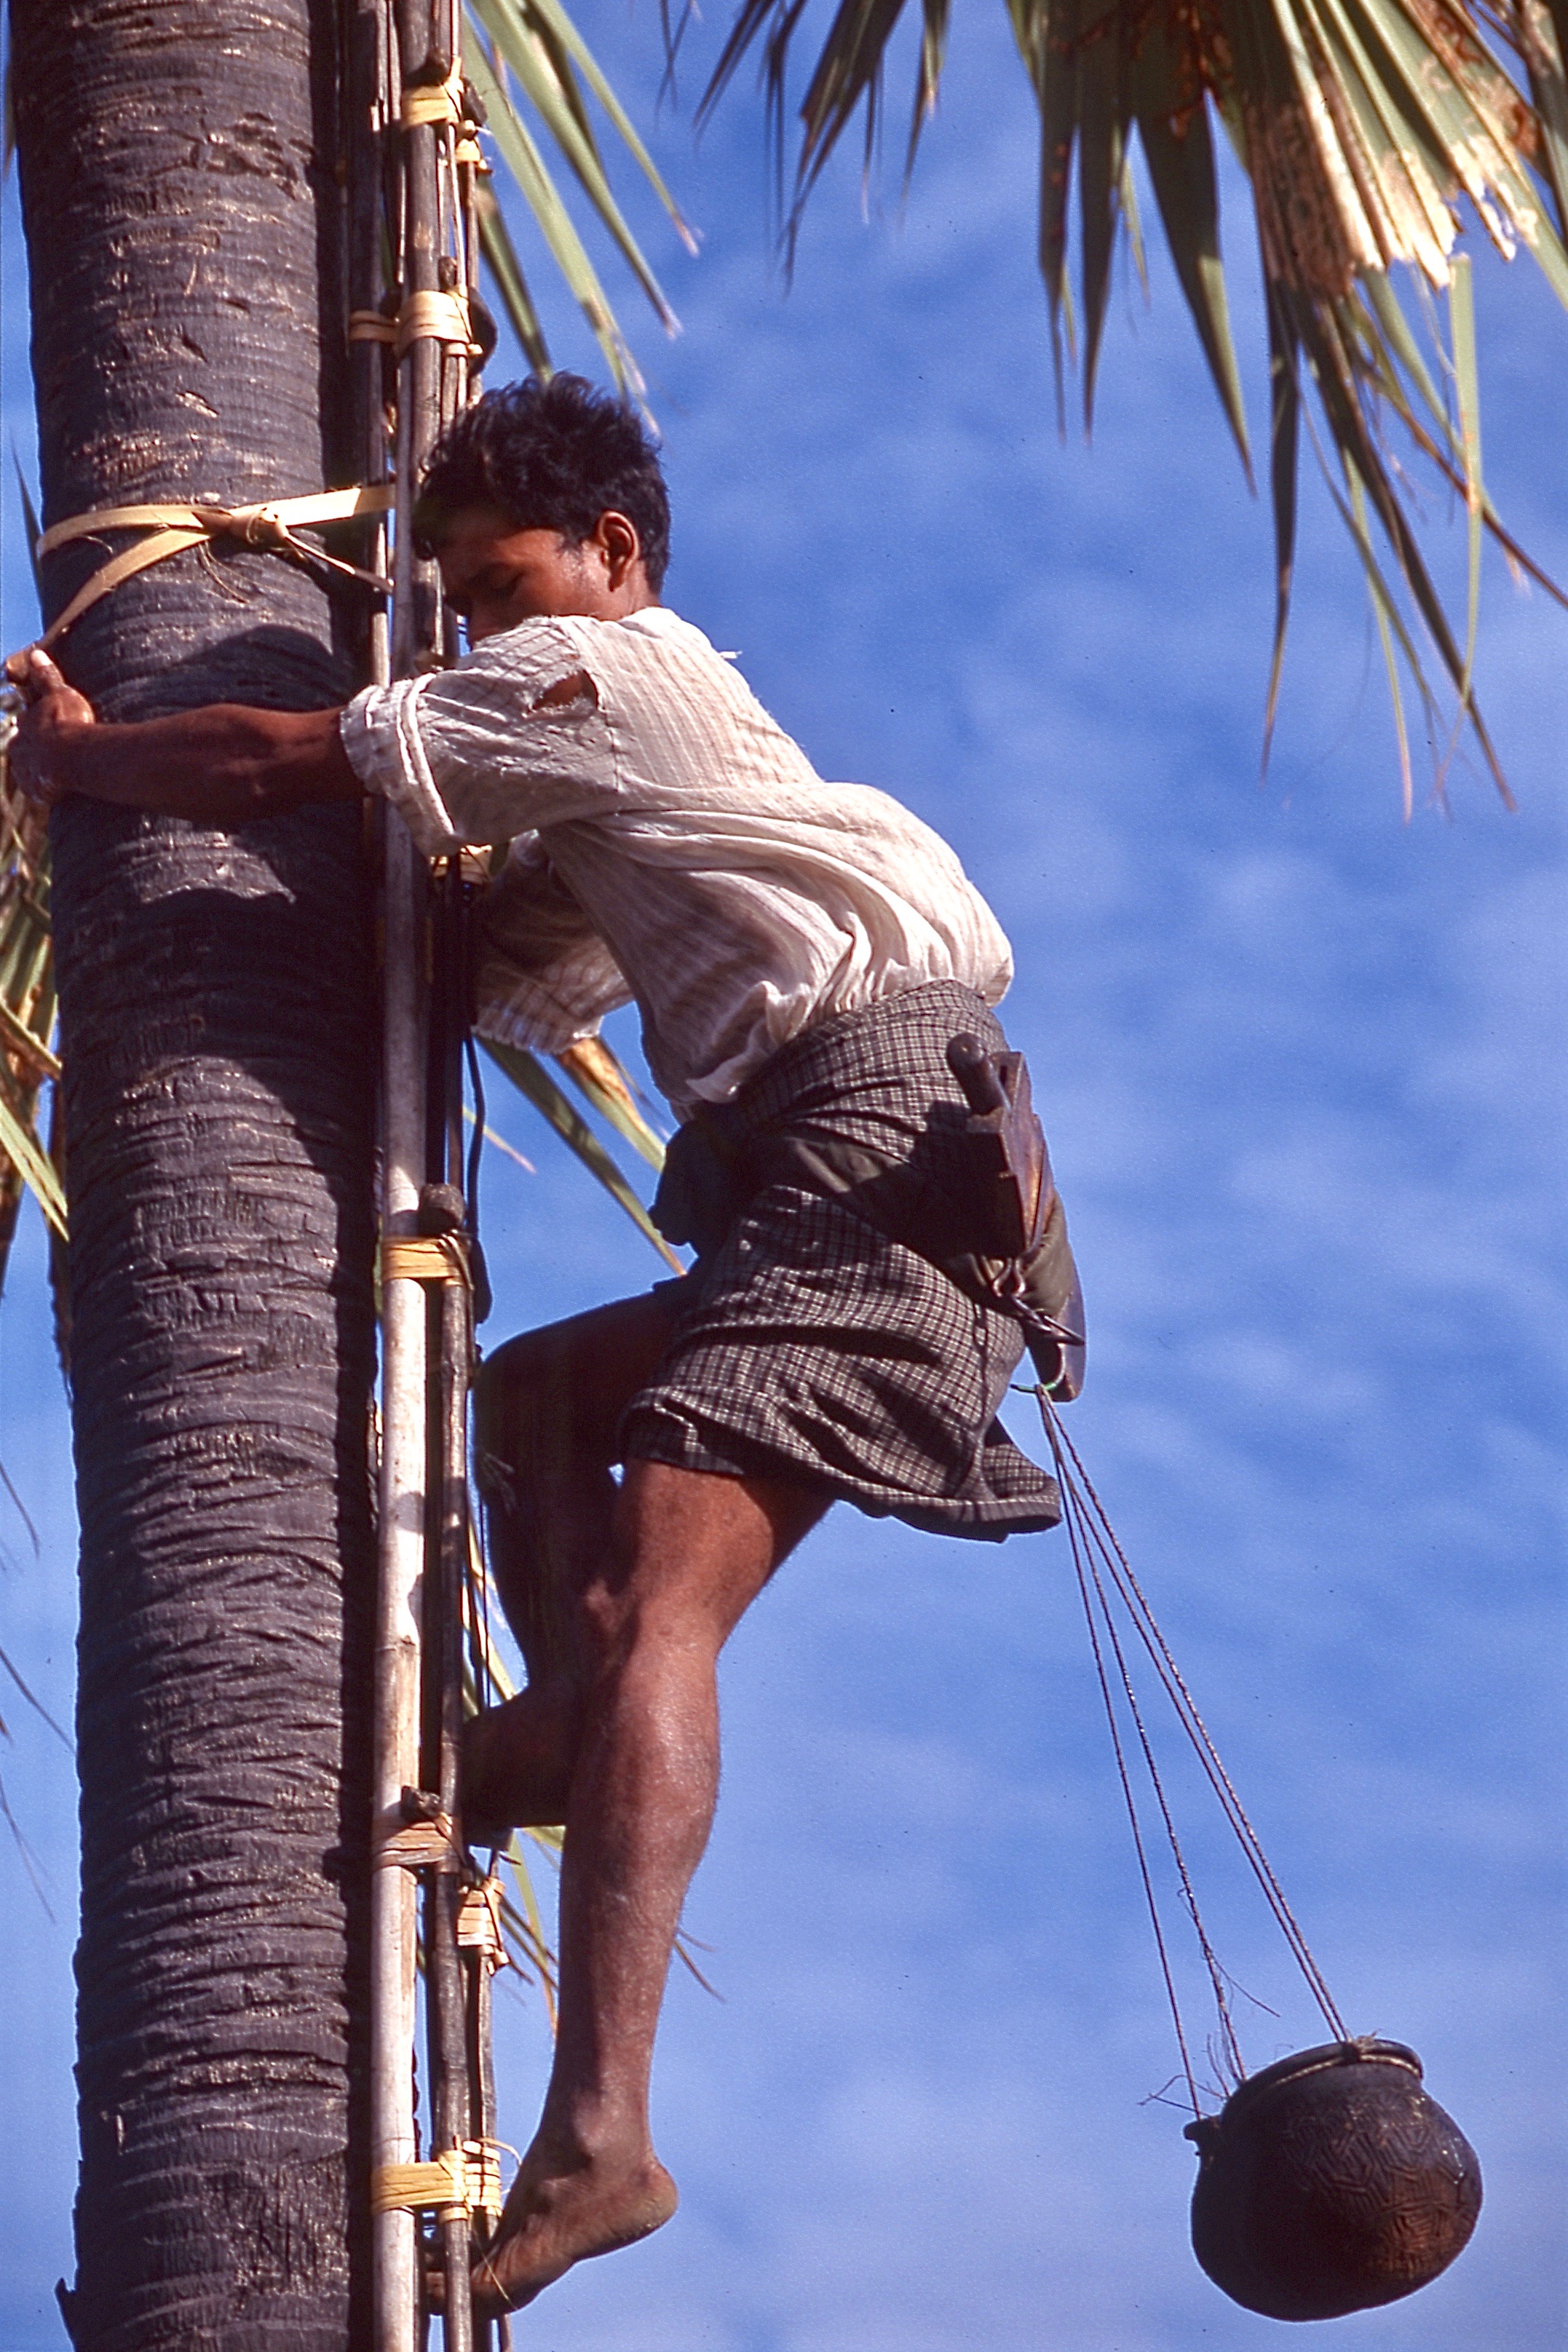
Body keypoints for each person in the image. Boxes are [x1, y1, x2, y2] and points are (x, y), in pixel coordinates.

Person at [10, 374, 1080, 2319]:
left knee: (668, 1612)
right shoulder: (624, 751)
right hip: (841, 1169)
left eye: (504, 590)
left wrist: (87, 761)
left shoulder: (618, 672)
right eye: (462, 609)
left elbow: (280, 760)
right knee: (529, 1399)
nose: (486, 635)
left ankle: (605, 2138)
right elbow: (504, 974)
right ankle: (569, 1719)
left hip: (875, 1150)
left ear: (616, 552)